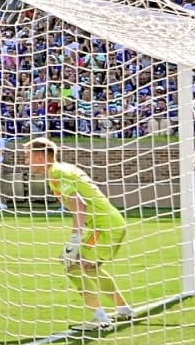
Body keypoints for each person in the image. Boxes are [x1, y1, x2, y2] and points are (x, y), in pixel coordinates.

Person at [26, 137, 134, 332]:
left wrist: (75, 240)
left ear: (41, 157)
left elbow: (79, 205)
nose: (26, 161)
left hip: (103, 226)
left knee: (72, 264)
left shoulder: (58, 173)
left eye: (28, 156)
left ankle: (99, 318)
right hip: (105, 223)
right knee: (88, 267)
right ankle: (123, 309)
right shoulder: (61, 170)